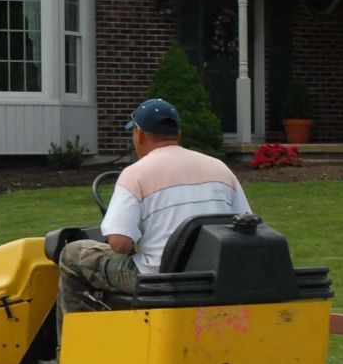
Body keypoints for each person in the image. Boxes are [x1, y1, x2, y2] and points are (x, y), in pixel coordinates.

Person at [58, 98, 251, 312]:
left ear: (139, 135)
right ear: (178, 134)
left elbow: (120, 244)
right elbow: (244, 224)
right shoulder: (220, 168)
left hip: (155, 276)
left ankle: (71, 342)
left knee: (72, 254)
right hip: (212, 274)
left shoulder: (135, 174)